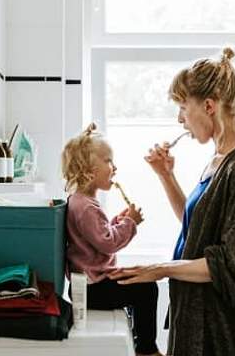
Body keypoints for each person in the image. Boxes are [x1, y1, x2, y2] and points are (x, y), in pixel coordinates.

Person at [109, 47, 235, 356]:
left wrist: (161, 269)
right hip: (198, 317)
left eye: (183, 107)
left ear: (210, 106)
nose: (180, 119)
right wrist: (166, 175)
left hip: (226, 333)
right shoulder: (218, 160)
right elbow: (198, 229)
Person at [61, 123, 162, 356]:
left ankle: (141, 341)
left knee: (141, 281)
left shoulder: (82, 202)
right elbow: (107, 242)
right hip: (94, 289)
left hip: (91, 286)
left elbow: (97, 235)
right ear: (88, 169)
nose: (114, 167)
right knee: (146, 289)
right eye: (108, 161)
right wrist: (130, 223)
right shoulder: (85, 207)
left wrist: (117, 221)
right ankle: (146, 349)